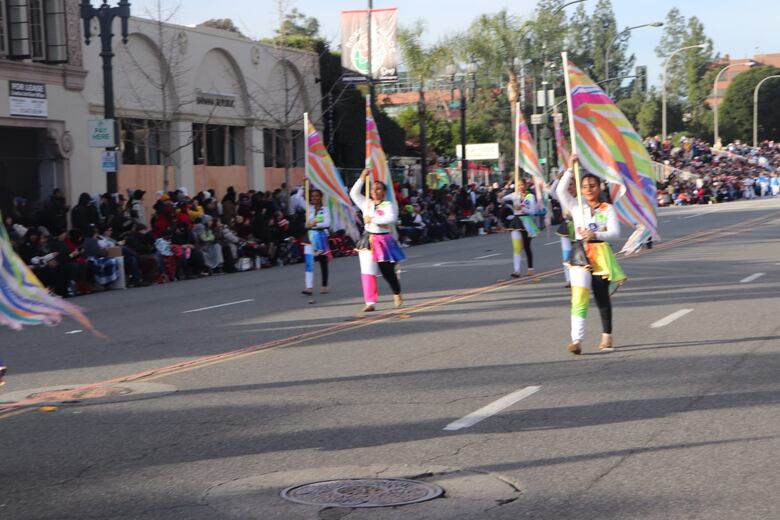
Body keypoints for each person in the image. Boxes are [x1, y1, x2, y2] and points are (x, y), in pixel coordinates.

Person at [556, 155, 626, 355]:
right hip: (580, 255)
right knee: (579, 296)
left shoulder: (608, 209)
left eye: (592, 185)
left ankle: (607, 334)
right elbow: (560, 191)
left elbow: (615, 233)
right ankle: (576, 339)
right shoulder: (577, 206)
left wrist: (596, 234)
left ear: (599, 187)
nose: (588, 189)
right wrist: (570, 169)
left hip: (600, 253)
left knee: (601, 296)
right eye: (585, 185)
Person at [350, 169, 406, 312]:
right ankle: (370, 302)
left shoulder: (388, 205)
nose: (375, 191)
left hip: (383, 240)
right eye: (373, 188)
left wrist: (373, 219)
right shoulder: (366, 203)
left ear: (384, 191)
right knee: (367, 271)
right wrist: (362, 178)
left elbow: (391, 219)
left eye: (378, 188)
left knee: (386, 271)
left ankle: (397, 292)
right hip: (368, 239)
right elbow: (353, 194)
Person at [500, 178, 539, 278]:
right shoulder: (514, 195)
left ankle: (530, 268)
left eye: (522, 185)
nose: (520, 187)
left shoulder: (530, 197)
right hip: (516, 222)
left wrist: (523, 208)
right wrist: (501, 194)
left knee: (526, 246)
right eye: (519, 185)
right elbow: (502, 199)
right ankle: (516, 270)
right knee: (516, 247)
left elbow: (533, 211)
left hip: (526, 222)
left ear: (525, 186)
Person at [302, 189, 332, 295]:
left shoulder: (325, 210)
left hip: (320, 237)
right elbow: (307, 223)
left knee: (322, 261)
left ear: (320, 197)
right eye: (312, 196)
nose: (314, 198)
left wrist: (315, 224)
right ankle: (308, 287)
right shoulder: (309, 209)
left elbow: (327, 223)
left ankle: (324, 285)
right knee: (309, 262)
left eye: (316, 196)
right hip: (309, 237)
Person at [550, 171, 577, 287]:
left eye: (571, 184)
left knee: (579, 253)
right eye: (567, 184)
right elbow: (552, 191)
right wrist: (557, 179)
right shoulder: (562, 196)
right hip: (566, 227)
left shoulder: (581, 197)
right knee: (566, 254)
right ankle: (569, 279)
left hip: (579, 227)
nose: (569, 187)